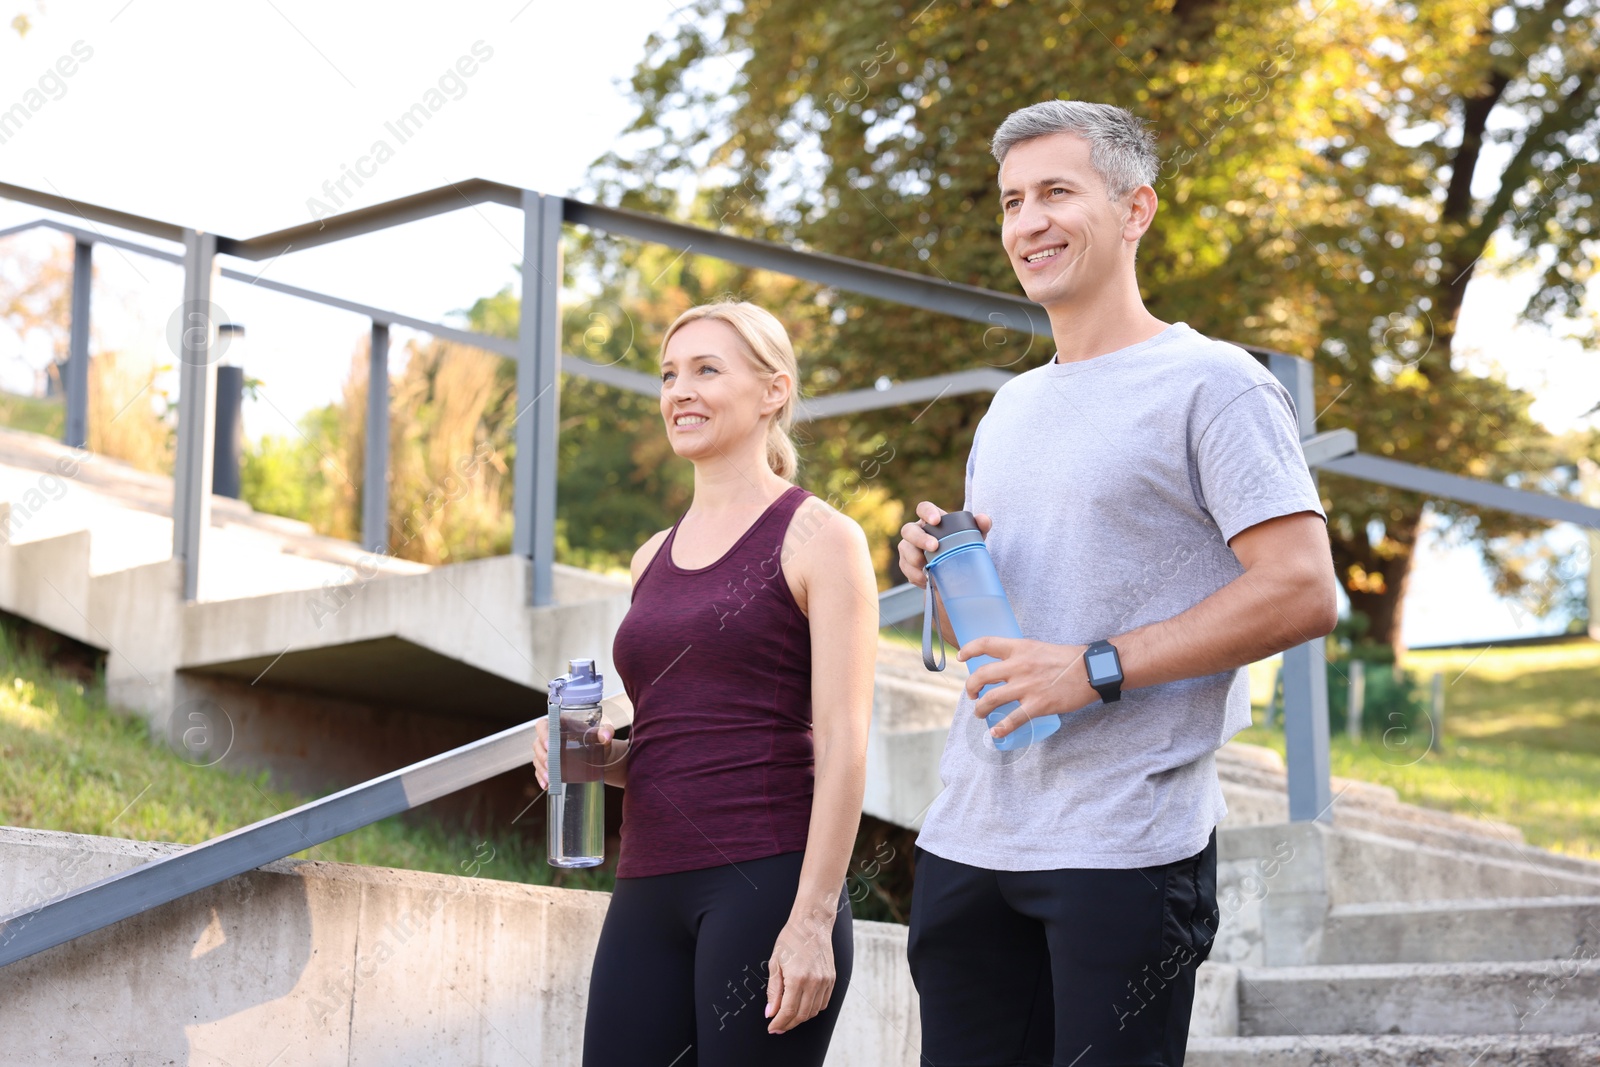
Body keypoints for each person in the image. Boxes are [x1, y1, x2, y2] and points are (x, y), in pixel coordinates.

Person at [896, 101, 1338, 1066]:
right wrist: (944, 564)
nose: (1028, 222)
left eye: (1057, 191)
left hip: (1123, 848)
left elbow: (1304, 587)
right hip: (972, 838)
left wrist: (1095, 668)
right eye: (1012, 201)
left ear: (1136, 209)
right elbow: (1040, 599)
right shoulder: (1007, 408)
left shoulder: (1215, 384)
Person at [533, 299, 878, 1067]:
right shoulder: (649, 556)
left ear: (772, 391)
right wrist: (591, 758)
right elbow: (671, 738)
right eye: (668, 374)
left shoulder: (823, 538)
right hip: (647, 884)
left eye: (706, 370)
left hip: (766, 882)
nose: (679, 390)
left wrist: (813, 917)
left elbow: (848, 745)